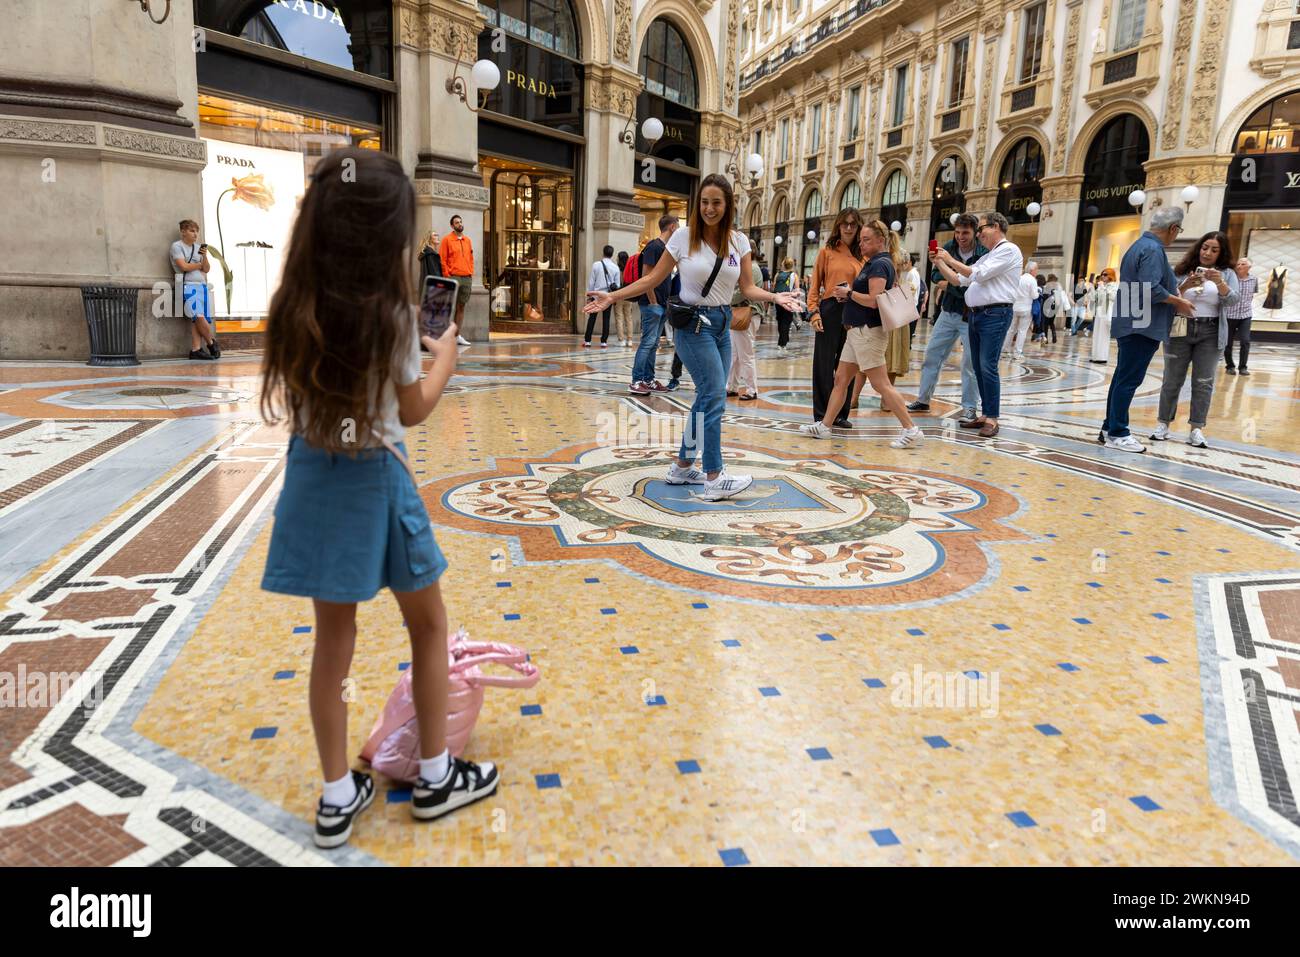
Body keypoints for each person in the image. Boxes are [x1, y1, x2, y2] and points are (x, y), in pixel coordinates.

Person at [259, 148, 498, 848]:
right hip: (378, 477)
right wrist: (445, 353)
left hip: (313, 474)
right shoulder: (392, 315)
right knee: (427, 626)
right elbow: (415, 406)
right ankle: (435, 776)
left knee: (333, 642)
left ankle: (337, 796)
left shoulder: (292, 306)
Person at [585, 173, 801, 501]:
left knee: (706, 397)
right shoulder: (684, 237)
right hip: (691, 326)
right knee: (714, 393)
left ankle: (683, 467)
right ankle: (715, 476)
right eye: (704, 202)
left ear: (727, 205)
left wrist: (775, 298)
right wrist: (613, 296)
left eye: (716, 203)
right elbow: (653, 278)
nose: (709, 209)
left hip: (722, 325)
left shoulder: (739, 242)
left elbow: (747, 287)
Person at [801, 220, 924, 448]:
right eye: (861, 240)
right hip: (856, 333)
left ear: (880, 240)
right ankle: (825, 425)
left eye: (866, 239)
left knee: (881, 384)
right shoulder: (874, 262)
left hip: (868, 332)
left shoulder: (879, 264)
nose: (862, 243)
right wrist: (849, 295)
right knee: (841, 379)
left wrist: (849, 294)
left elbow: (875, 301)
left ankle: (911, 429)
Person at [1097, 205, 1196, 453]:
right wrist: (1179, 302)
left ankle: (1109, 428)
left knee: (1122, 378)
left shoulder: (1139, 246)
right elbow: (1149, 288)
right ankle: (1118, 433)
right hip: (1141, 325)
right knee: (1128, 379)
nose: (1177, 234)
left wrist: (1179, 290)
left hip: (1134, 322)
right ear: (1173, 228)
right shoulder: (1153, 249)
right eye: (1178, 231)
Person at [932, 211, 1023, 438]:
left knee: (987, 365)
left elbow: (978, 274)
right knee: (979, 365)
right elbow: (959, 280)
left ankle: (992, 417)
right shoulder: (990, 255)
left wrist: (950, 259)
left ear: (997, 227)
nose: (979, 233)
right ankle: (985, 414)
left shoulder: (1009, 250)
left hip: (995, 314)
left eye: (982, 229)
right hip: (976, 315)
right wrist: (939, 262)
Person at [1151, 231, 1241, 449]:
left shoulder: (1227, 273)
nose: (1207, 253)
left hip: (1210, 332)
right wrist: (1185, 286)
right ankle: (1163, 424)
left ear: (1221, 253)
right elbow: (1168, 297)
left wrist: (1220, 283)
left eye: (1214, 249)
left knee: (1203, 382)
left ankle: (1196, 429)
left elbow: (1233, 301)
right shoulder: (1182, 270)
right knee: (1172, 379)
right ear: (1198, 248)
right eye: (1204, 247)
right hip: (1181, 328)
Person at [908, 213, 984, 420]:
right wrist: (953, 283)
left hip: (971, 316)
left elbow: (975, 284)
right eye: (958, 232)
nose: (961, 237)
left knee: (970, 363)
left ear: (975, 232)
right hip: (948, 311)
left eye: (965, 233)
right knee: (932, 355)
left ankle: (969, 407)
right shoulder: (949, 247)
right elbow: (934, 275)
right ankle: (923, 399)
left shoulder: (983, 252)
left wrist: (950, 284)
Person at [807, 209, 865, 427]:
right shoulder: (827, 252)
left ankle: (841, 414)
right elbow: (815, 287)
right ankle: (821, 413)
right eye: (844, 224)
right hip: (830, 309)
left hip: (855, 310)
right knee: (823, 363)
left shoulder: (864, 255)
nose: (849, 228)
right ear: (838, 226)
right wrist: (813, 312)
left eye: (853, 224)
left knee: (848, 363)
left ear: (859, 227)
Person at [629, 215, 679, 394]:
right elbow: (646, 276)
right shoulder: (654, 246)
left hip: (661, 304)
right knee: (647, 342)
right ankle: (636, 381)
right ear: (672, 227)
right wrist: (653, 301)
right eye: (678, 227)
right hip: (652, 305)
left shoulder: (665, 249)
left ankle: (648, 379)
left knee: (653, 343)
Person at [171, 219, 220, 360]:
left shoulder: (198, 248)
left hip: (201, 286)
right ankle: (212, 343)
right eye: (192, 231)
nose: (195, 234)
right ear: (183, 232)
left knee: (196, 319)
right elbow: (183, 267)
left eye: (196, 231)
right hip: (187, 286)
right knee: (198, 316)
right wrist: (198, 265)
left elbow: (206, 269)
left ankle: (196, 349)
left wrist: (204, 256)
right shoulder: (177, 246)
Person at [880, 241, 918, 412]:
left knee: (893, 360)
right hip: (887, 321)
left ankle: (886, 399)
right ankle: (855, 396)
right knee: (871, 360)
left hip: (898, 322)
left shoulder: (905, 283)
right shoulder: (885, 275)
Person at [727, 257, 765, 400]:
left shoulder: (752, 268)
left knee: (745, 354)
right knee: (735, 354)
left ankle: (752, 390)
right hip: (740, 314)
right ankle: (732, 386)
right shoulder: (748, 266)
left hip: (747, 314)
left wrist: (726, 298)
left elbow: (744, 291)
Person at [439, 215, 474, 335]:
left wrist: (470, 271)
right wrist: (447, 276)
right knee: (449, 307)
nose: (459, 224)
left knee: (461, 306)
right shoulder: (446, 240)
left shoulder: (467, 240)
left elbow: (470, 258)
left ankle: (457, 335)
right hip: (453, 277)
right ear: (452, 226)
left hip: (466, 277)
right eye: (456, 222)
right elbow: (443, 260)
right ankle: (445, 334)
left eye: (460, 222)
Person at [1224, 258, 1258, 375]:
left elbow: (1252, 295)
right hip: (1229, 315)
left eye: (1243, 264)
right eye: (1238, 264)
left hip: (1245, 315)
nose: (1239, 266)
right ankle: (1230, 366)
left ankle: (1243, 367)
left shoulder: (1254, 279)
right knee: (1227, 343)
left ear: (1249, 267)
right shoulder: (1230, 279)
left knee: (1245, 341)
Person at [584, 244, 620, 348]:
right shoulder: (615, 268)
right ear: (612, 254)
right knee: (606, 318)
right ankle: (604, 341)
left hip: (596, 296)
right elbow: (617, 285)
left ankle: (588, 340)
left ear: (603, 252)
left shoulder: (596, 265)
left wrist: (589, 295)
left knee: (592, 318)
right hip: (607, 296)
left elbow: (591, 281)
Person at [1006, 260, 1038, 359]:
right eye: (1036, 269)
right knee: (1022, 331)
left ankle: (1004, 350)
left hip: (1015, 307)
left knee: (1011, 329)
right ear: (1032, 270)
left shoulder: (1019, 278)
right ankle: (1017, 353)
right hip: (1026, 308)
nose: (1037, 271)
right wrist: (1038, 293)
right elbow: (1034, 295)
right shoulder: (1032, 280)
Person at [1089, 267, 1118, 363]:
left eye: (1105, 274)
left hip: (1107, 312)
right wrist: (1094, 288)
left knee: (1104, 335)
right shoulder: (1102, 286)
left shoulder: (1114, 285)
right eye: (1102, 274)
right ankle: (1095, 356)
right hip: (1099, 312)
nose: (1102, 276)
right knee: (1096, 334)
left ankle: (1102, 357)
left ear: (1110, 275)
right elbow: (1094, 298)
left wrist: (1104, 288)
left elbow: (1114, 297)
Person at [773, 257, 800, 356]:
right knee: (786, 321)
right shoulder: (794, 275)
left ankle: (783, 339)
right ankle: (782, 343)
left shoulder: (778, 274)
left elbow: (774, 286)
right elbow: (797, 290)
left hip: (778, 299)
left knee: (780, 320)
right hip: (788, 300)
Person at [613, 251, 637, 347]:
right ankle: (630, 339)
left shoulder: (617, 269)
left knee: (619, 317)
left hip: (619, 295)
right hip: (629, 295)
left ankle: (621, 339)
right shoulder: (630, 268)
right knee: (629, 317)